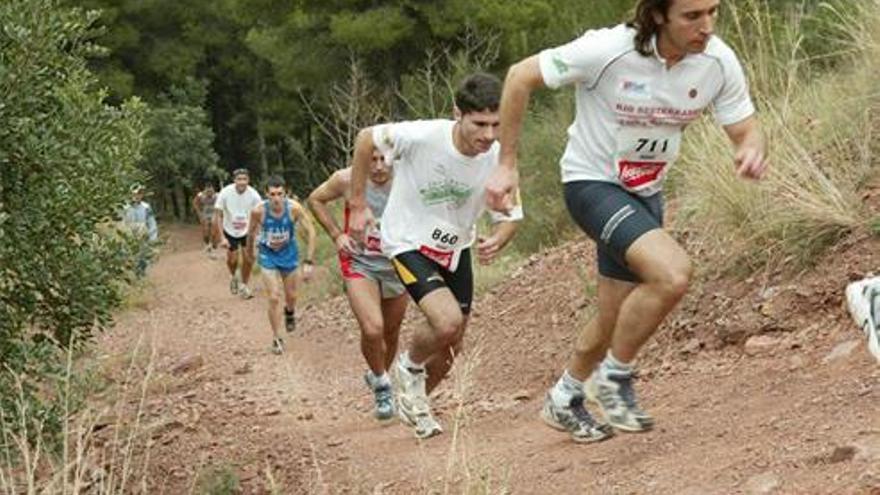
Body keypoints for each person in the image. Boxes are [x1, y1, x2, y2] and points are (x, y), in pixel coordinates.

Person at [488, 0, 769, 443]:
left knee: (614, 314)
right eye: (693, 16)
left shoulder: (718, 61)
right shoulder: (606, 50)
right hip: (591, 185)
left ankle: (564, 397)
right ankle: (614, 377)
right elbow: (520, 75)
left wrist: (750, 148)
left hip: (645, 192)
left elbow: (745, 127)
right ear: (658, 15)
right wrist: (506, 164)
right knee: (672, 273)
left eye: (713, 11)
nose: (707, 26)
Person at [349, 72, 523, 439]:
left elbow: (510, 215)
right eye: (479, 124)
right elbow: (366, 139)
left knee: (451, 349)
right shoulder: (422, 136)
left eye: (496, 124)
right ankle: (407, 367)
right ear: (457, 113)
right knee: (446, 322)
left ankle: (416, 402)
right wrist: (359, 203)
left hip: (454, 249)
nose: (488, 135)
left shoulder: (498, 155)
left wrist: (500, 237)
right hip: (407, 241)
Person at [308, 151, 409, 422]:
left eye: (383, 159)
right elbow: (315, 199)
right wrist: (336, 234)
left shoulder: (408, 176)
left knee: (390, 331)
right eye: (371, 159)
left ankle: (379, 373)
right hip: (360, 263)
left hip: (398, 265)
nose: (377, 167)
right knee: (372, 328)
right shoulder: (347, 179)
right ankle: (383, 385)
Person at [247, 175, 316, 355]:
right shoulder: (258, 211)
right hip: (267, 255)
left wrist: (309, 260)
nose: (276, 198)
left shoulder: (294, 208)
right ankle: (277, 338)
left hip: (289, 254)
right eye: (272, 194)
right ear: (266, 195)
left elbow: (311, 231)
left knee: (291, 296)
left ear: (285, 193)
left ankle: (290, 312)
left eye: (280, 194)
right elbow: (250, 233)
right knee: (274, 297)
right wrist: (249, 253)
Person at [214, 168, 262, 299]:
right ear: (234, 180)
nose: (242, 182)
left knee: (248, 259)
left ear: (248, 180)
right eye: (239, 179)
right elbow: (218, 215)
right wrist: (222, 237)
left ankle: (244, 286)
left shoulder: (254, 195)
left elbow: (260, 214)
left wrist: (258, 234)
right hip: (229, 230)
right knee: (232, 259)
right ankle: (233, 276)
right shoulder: (225, 193)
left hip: (247, 230)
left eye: (244, 179)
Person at [122, 183, 159, 277]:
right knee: (129, 255)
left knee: (142, 254)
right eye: (136, 194)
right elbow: (121, 222)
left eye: (140, 194)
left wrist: (153, 236)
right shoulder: (125, 207)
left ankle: (141, 274)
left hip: (142, 233)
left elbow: (151, 222)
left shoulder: (146, 207)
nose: (138, 196)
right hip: (128, 233)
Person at [192, 182, 218, 257]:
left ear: (213, 190)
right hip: (205, 214)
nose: (209, 192)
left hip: (214, 214)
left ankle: (213, 248)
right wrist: (199, 213)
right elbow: (194, 203)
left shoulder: (217, 195)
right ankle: (207, 244)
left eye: (211, 191)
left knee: (213, 232)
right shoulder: (200, 195)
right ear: (205, 190)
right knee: (206, 232)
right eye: (208, 191)